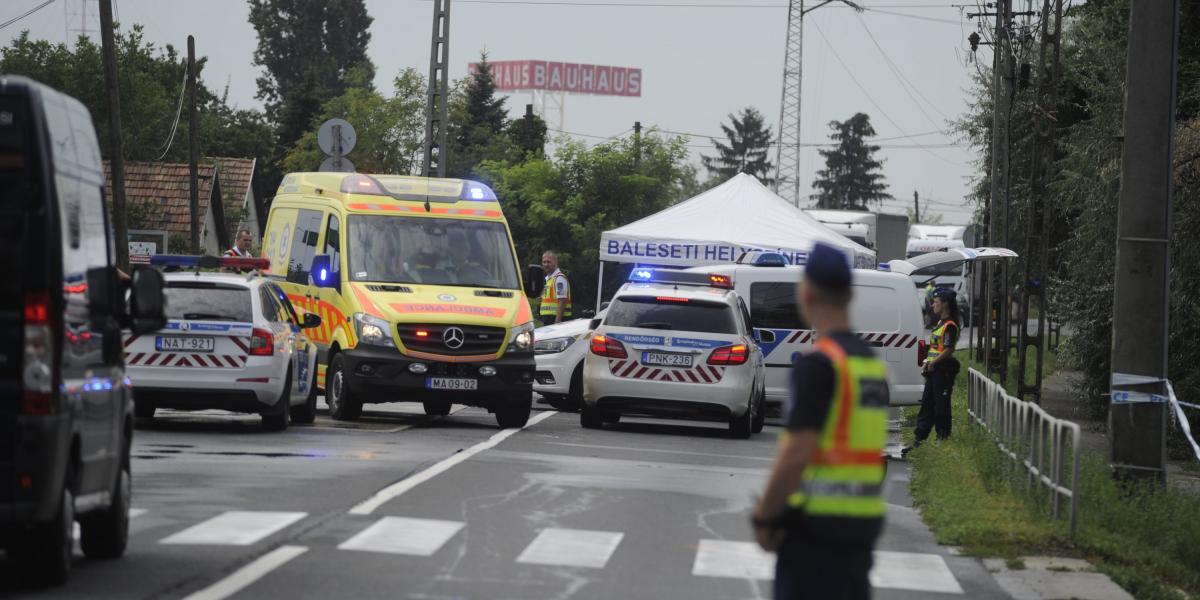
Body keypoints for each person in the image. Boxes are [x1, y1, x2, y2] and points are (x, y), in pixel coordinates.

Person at [752, 242, 889, 600]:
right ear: (849, 295)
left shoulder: (819, 364)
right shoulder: (870, 366)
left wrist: (764, 517)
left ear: (807, 293)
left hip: (815, 533)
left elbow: (798, 452)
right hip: (860, 529)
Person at [908, 287, 961, 448]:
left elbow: (949, 349)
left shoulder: (950, 325)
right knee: (927, 405)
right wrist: (927, 362)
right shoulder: (940, 323)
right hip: (933, 371)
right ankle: (918, 440)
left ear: (945, 304)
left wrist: (933, 362)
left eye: (936, 302)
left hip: (942, 371)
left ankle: (942, 439)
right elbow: (936, 348)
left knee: (941, 407)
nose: (932, 305)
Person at [538, 250, 572, 326]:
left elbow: (562, 301)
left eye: (549, 262)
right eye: (544, 262)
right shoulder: (549, 279)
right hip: (548, 319)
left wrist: (557, 322)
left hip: (556, 320)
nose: (546, 264)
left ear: (555, 263)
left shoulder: (559, 278)